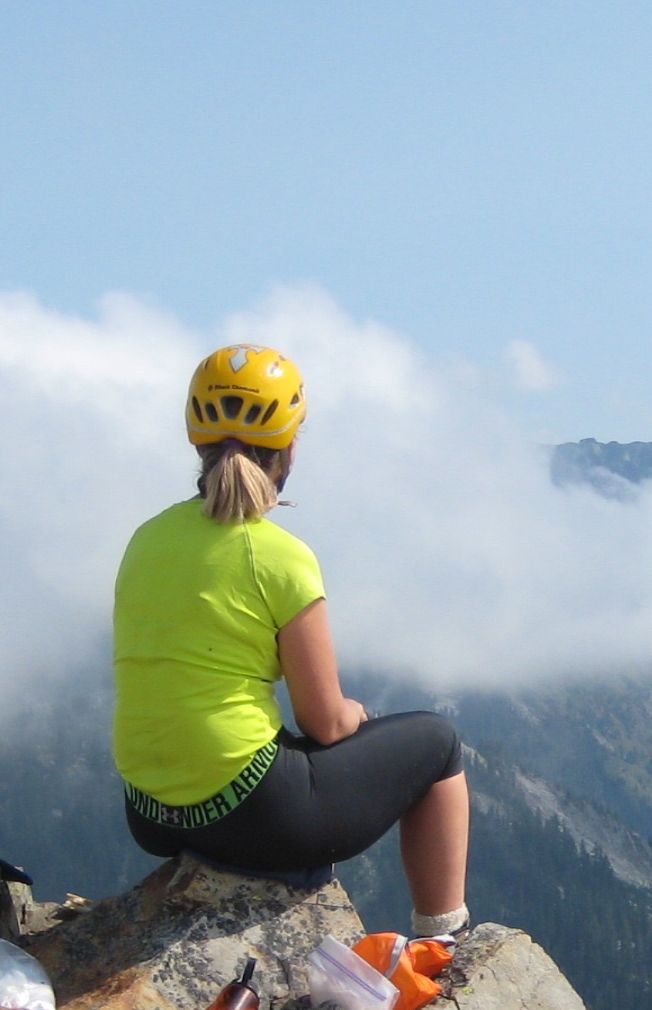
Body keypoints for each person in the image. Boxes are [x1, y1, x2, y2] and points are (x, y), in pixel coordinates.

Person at [111, 344, 471, 936]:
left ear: (196, 440)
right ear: (290, 446)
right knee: (439, 742)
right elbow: (324, 722)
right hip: (248, 813)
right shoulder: (280, 557)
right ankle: (444, 936)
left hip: (150, 814)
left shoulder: (145, 539)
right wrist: (355, 712)